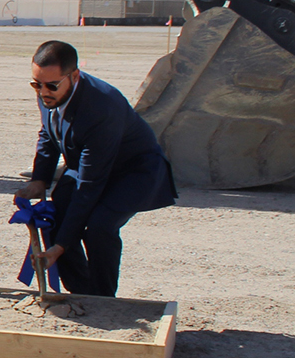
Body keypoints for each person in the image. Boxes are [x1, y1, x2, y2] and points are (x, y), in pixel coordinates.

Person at [16, 40, 176, 297]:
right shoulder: (49, 92)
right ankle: (80, 292)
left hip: (132, 171)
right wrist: (40, 180)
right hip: (88, 165)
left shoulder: (102, 107)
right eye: (36, 84)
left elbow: (89, 187)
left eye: (50, 85)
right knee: (57, 214)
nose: (42, 91)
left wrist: (60, 246)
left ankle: (102, 298)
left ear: (74, 76)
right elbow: (49, 132)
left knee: (100, 226)